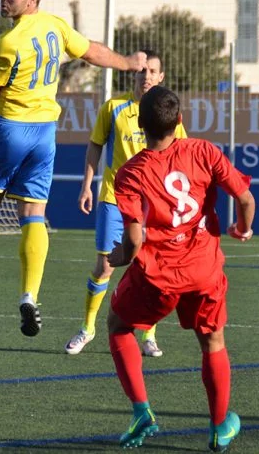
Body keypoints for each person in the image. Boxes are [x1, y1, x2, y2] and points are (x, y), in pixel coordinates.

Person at [0, 0, 147, 337]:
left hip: (9, 128)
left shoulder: (7, 43)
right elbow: (92, 52)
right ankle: (29, 295)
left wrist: (2, 121)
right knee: (34, 214)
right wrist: (128, 62)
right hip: (45, 134)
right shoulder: (56, 26)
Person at [106, 86, 254, 451]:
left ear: (141, 125)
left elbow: (136, 240)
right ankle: (219, 427)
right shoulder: (203, 150)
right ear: (180, 121)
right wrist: (241, 228)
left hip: (158, 275)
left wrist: (119, 257)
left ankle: (142, 410)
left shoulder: (130, 173)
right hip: (204, 269)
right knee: (212, 341)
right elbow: (246, 198)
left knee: (118, 326)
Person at [64, 50, 187, 356]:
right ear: (133, 74)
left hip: (152, 204)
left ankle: (148, 335)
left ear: (161, 78)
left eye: (152, 71)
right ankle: (87, 328)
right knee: (105, 265)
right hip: (113, 198)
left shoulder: (168, 113)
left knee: (152, 269)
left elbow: (181, 155)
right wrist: (86, 186)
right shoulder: (114, 107)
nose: (146, 75)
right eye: (141, 70)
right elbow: (95, 145)